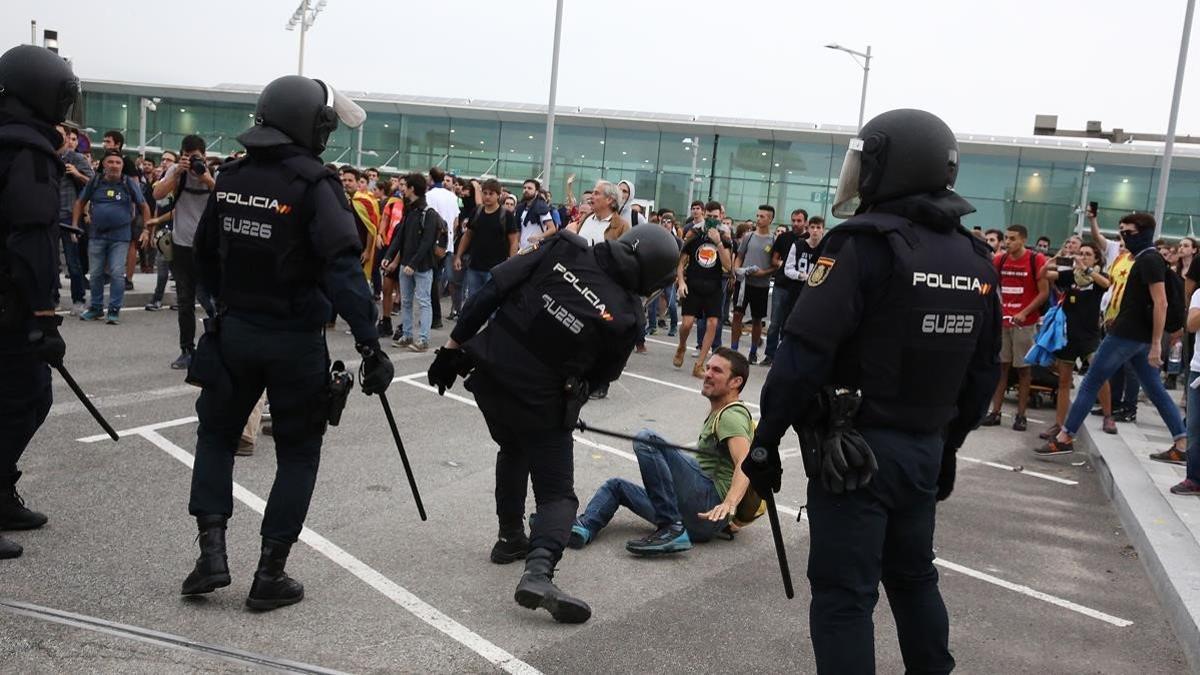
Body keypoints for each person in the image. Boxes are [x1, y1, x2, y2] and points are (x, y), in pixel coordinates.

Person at [742, 109, 1001, 674]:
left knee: (844, 597)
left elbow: (803, 352)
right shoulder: (975, 256)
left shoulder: (863, 244)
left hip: (853, 454)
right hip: (925, 447)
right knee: (914, 578)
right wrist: (948, 445)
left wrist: (764, 441)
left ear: (891, 165)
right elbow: (984, 371)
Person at [181, 74, 393, 610]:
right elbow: (343, 268)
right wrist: (370, 342)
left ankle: (211, 555)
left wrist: (219, 310)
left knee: (215, 437)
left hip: (235, 331)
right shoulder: (316, 185)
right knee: (298, 453)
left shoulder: (230, 176)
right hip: (295, 339)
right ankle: (269, 573)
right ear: (310, 126)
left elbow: (204, 255)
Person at [427, 224, 679, 623]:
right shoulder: (628, 318)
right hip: (539, 403)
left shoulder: (565, 248)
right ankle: (539, 572)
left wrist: (450, 349)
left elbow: (491, 292)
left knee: (512, 449)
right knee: (558, 496)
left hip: (489, 378)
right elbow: (601, 380)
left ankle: (510, 537)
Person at [0, 45, 78, 560]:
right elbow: (30, 238)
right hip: (12, 301)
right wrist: (44, 316)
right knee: (24, 400)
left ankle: (3, 493)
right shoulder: (27, 151)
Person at [570, 347, 754, 554]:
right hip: (697, 521)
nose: (707, 374)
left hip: (708, 504)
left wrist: (729, 503)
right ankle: (582, 528)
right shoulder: (720, 411)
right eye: (708, 367)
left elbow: (745, 461)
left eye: (717, 371)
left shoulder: (732, 415)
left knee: (648, 440)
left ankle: (670, 527)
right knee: (616, 487)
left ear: (736, 382)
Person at [1042, 213, 1189, 459]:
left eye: (1128, 232)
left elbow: (1160, 302)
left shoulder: (1149, 260)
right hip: (1134, 334)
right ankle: (1182, 442)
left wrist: (1155, 344)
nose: (1124, 237)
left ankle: (1065, 437)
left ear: (1143, 233)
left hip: (1129, 334)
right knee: (1154, 388)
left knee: (1091, 381)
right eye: (1121, 232)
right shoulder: (1142, 259)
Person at [153, 134, 216, 370]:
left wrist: (207, 178)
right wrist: (178, 172)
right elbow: (157, 195)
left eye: (196, 157)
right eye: (188, 157)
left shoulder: (214, 174)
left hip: (207, 248)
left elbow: (224, 198)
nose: (192, 162)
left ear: (205, 156)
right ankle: (187, 350)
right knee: (184, 301)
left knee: (211, 300)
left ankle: (219, 346)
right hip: (181, 246)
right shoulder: (176, 173)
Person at [1039, 242, 1112, 441]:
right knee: (1064, 380)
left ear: (1096, 259)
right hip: (1068, 335)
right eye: (1081, 253)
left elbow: (1106, 285)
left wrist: (1086, 268)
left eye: (1088, 254)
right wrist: (1050, 263)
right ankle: (1059, 424)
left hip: (1089, 336)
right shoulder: (1071, 275)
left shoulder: (1099, 276)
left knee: (1100, 375)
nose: (1083, 256)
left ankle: (1108, 416)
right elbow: (1044, 276)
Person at [981, 224, 1051, 431]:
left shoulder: (1035, 259)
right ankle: (995, 412)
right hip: (1003, 321)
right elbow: (990, 286)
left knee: (1023, 370)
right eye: (1007, 239)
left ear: (1023, 240)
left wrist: (1025, 312)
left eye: (1012, 239)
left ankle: (1021, 415)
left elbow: (1044, 292)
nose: (1007, 243)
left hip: (1025, 324)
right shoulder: (999, 260)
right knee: (1001, 368)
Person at [71, 149, 151, 324]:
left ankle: (114, 309)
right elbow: (80, 202)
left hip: (120, 237)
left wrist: (146, 229)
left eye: (118, 163)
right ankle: (96, 308)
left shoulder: (128, 183)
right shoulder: (95, 181)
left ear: (122, 166)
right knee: (96, 274)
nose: (114, 165)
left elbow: (144, 206)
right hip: (96, 236)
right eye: (110, 162)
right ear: (103, 164)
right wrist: (75, 226)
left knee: (116, 273)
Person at [381, 173, 442, 352]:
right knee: (406, 301)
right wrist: (389, 256)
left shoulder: (428, 213)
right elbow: (400, 235)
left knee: (423, 301)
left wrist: (412, 264)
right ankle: (407, 335)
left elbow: (427, 242)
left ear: (412, 189)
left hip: (421, 266)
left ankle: (423, 339)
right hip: (406, 264)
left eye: (405, 186)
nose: (402, 189)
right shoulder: (410, 210)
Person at [674, 202, 733, 377]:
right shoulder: (694, 233)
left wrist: (718, 243)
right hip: (693, 284)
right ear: (704, 215)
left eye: (716, 217)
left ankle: (700, 364)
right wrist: (681, 282)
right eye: (709, 216)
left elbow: (728, 266)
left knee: (713, 323)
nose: (712, 220)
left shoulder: (725, 237)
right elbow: (681, 262)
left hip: (714, 287)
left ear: (721, 216)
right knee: (686, 324)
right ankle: (682, 345)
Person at [454, 178, 518, 303]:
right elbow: (468, 235)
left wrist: (511, 263)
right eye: (485, 193)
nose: (487, 196)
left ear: (498, 195)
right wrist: (458, 256)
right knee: (473, 302)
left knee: (491, 304)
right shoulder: (477, 212)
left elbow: (513, 241)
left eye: (491, 194)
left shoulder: (506, 215)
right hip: (475, 266)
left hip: (496, 269)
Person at [761, 209, 808, 366]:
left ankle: (785, 357)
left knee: (792, 324)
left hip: (801, 288)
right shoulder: (784, 238)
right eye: (793, 220)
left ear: (805, 222)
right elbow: (774, 259)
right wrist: (783, 264)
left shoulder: (810, 240)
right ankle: (770, 355)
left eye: (799, 221)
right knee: (775, 323)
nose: (795, 223)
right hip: (781, 285)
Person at [55, 121, 93, 315]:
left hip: (70, 216)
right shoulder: (44, 155)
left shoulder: (75, 158)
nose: (57, 136)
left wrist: (77, 174)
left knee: (73, 261)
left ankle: (78, 299)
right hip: (48, 216)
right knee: (50, 260)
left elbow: (94, 182)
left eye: (62, 134)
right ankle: (52, 299)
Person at [729, 206, 777, 364]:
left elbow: (775, 265)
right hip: (744, 284)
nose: (759, 219)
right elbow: (739, 256)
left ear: (770, 219)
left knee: (757, 319)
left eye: (763, 216)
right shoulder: (748, 236)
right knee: (737, 315)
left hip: (761, 285)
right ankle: (734, 349)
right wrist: (737, 269)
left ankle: (753, 352)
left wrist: (764, 272)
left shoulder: (773, 240)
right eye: (758, 215)